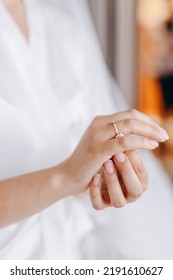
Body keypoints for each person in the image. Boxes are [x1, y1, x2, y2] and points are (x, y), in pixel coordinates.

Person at [0, 0, 172, 259]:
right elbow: (68, 173)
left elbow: (80, 154)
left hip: (78, 251)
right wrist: (65, 178)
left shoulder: (65, 26)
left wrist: (104, 176)